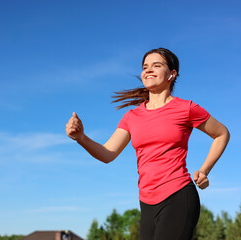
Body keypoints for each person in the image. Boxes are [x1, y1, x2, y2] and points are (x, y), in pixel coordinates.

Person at [65, 48, 230, 240]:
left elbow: (222, 134)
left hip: (178, 195)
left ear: (172, 74)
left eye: (156, 66)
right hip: (146, 202)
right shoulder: (131, 117)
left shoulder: (186, 108)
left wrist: (205, 170)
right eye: (145, 67)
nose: (148, 70)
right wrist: (81, 138)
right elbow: (107, 153)